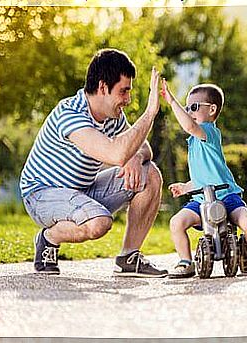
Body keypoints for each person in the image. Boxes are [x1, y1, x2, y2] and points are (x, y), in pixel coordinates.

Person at [20, 48, 167, 277]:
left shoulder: (112, 116)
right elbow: (115, 154)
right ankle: (48, 238)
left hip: (82, 190)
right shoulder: (70, 114)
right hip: (42, 195)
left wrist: (136, 157)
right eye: (123, 91)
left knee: (150, 175)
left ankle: (129, 256)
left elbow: (143, 148)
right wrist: (149, 113)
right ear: (102, 87)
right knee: (99, 223)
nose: (127, 100)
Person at [160, 80, 247, 278]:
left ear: (212, 109)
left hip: (226, 196)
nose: (189, 111)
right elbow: (203, 177)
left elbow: (190, 126)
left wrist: (172, 101)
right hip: (201, 199)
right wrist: (186, 187)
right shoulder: (193, 141)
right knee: (176, 223)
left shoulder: (208, 131)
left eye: (193, 107)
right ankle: (185, 261)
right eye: (186, 107)